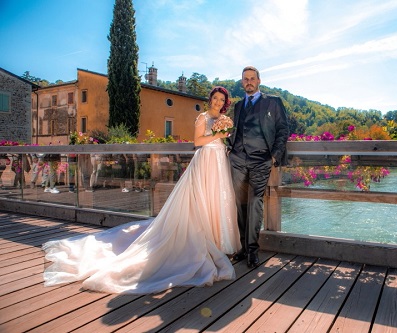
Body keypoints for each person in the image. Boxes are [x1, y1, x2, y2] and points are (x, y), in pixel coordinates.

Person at [42, 86, 240, 294]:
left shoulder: (224, 117)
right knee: (203, 200)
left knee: (219, 200)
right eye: (215, 98)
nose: (218, 102)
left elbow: (221, 140)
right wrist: (217, 134)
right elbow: (197, 141)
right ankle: (205, 243)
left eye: (221, 99)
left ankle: (219, 242)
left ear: (224, 102)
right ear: (210, 99)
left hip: (219, 161)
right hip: (206, 160)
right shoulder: (202, 117)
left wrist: (223, 138)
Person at [228, 66, 289, 268]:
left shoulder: (273, 102)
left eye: (252, 78)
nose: (249, 82)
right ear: (242, 82)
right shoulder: (237, 106)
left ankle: (253, 250)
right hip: (237, 160)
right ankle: (243, 249)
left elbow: (282, 130)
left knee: (255, 202)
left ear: (259, 80)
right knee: (240, 204)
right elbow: (234, 131)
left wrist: (274, 156)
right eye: (245, 79)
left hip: (261, 160)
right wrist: (229, 149)